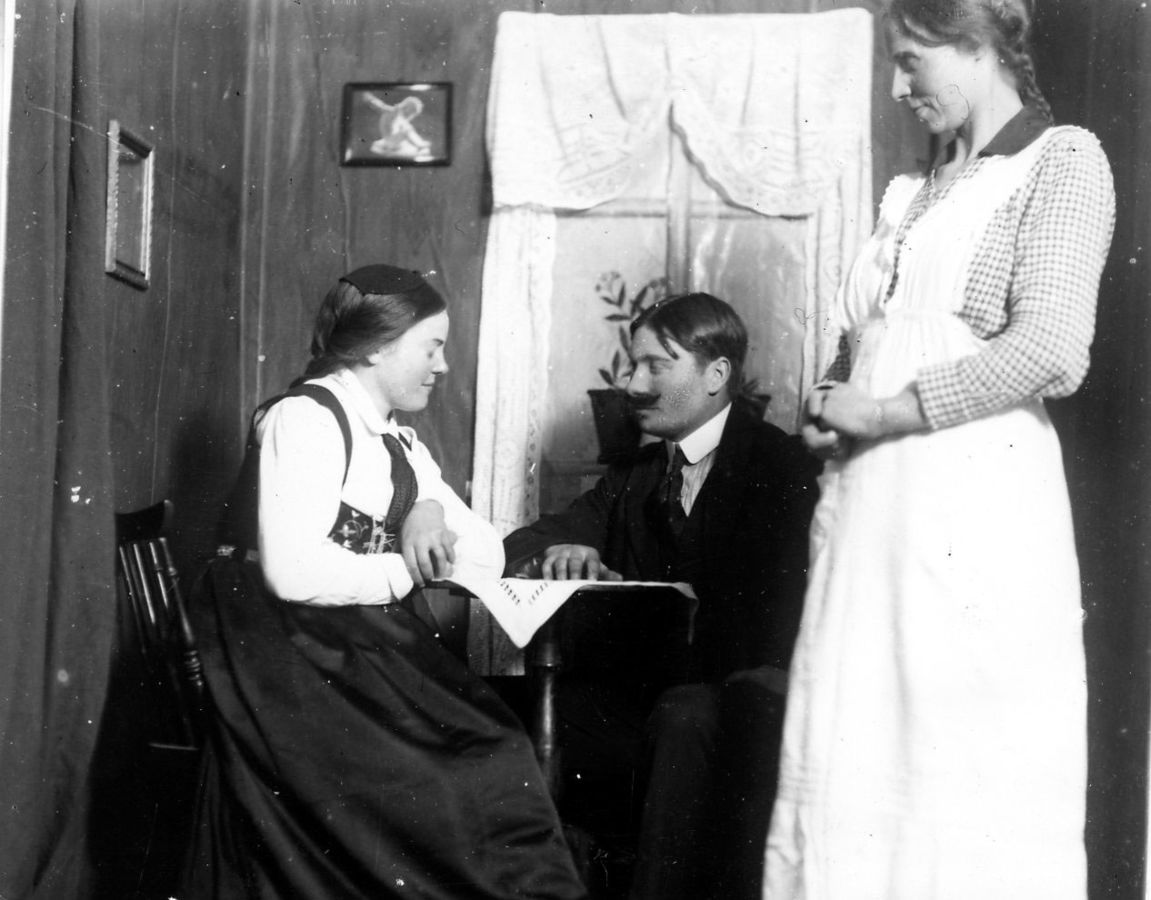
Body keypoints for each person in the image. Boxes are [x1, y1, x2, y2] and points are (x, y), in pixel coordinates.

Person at [762, 2, 1115, 897]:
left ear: (975, 46)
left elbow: (1051, 348)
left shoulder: (1059, 160)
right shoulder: (908, 193)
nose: (894, 86)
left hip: (972, 510)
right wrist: (826, 404)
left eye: (910, 60)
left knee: (960, 760)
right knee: (853, 749)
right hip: (868, 519)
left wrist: (885, 412)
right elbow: (860, 346)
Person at [183, 265, 586, 899]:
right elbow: (293, 573)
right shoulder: (305, 419)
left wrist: (429, 507)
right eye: (432, 347)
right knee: (467, 763)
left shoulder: (397, 441)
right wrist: (409, 565)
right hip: (275, 644)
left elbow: (486, 555)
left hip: (342, 636)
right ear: (376, 347)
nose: (442, 366)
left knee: (491, 739)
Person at [503, 292, 819, 900]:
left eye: (655, 365)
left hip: (742, 694)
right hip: (645, 698)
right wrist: (564, 549)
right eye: (632, 365)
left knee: (685, 716)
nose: (632, 384)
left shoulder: (780, 465)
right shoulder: (636, 474)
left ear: (715, 375)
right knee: (501, 707)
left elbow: (781, 618)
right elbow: (526, 541)